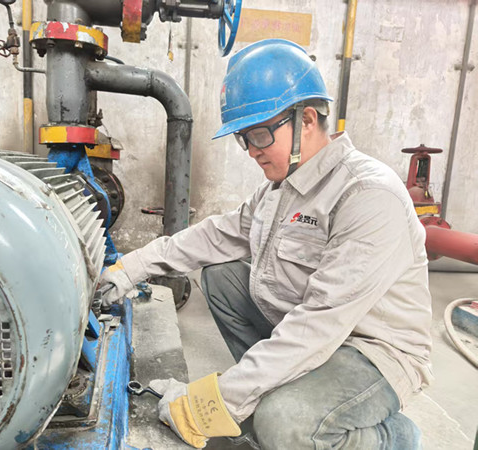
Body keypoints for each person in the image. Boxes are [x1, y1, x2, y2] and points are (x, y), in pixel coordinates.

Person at [98, 39, 433, 449]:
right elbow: (216, 235)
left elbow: (320, 322)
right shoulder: (281, 188)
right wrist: (130, 268)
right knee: (221, 276)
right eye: (245, 138)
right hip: (316, 329)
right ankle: (271, 389)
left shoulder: (366, 195)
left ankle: (394, 438)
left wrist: (213, 404)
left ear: (306, 120)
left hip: (371, 350)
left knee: (283, 422)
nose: (252, 152)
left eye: (259, 134)